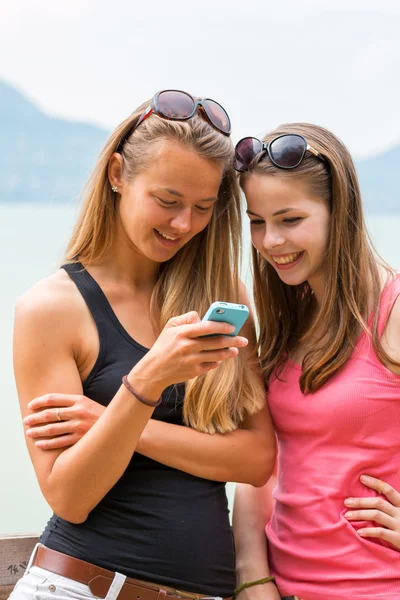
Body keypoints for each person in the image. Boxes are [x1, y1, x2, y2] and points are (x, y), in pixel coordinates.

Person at [12, 90, 276, 600]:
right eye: (168, 201)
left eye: (203, 207)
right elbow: (70, 496)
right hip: (80, 588)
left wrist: (114, 423)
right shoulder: (51, 309)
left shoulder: (223, 296)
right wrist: (148, 379)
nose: (183, 224)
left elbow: (255, 457)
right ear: (117, 175)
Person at [232, 124, 400, 600]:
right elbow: (263, 464)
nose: (270, 241)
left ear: (338, 212)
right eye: (258, 221)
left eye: (290, 219)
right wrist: (252, 577)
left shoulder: (393, 309)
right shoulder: (290, 323)